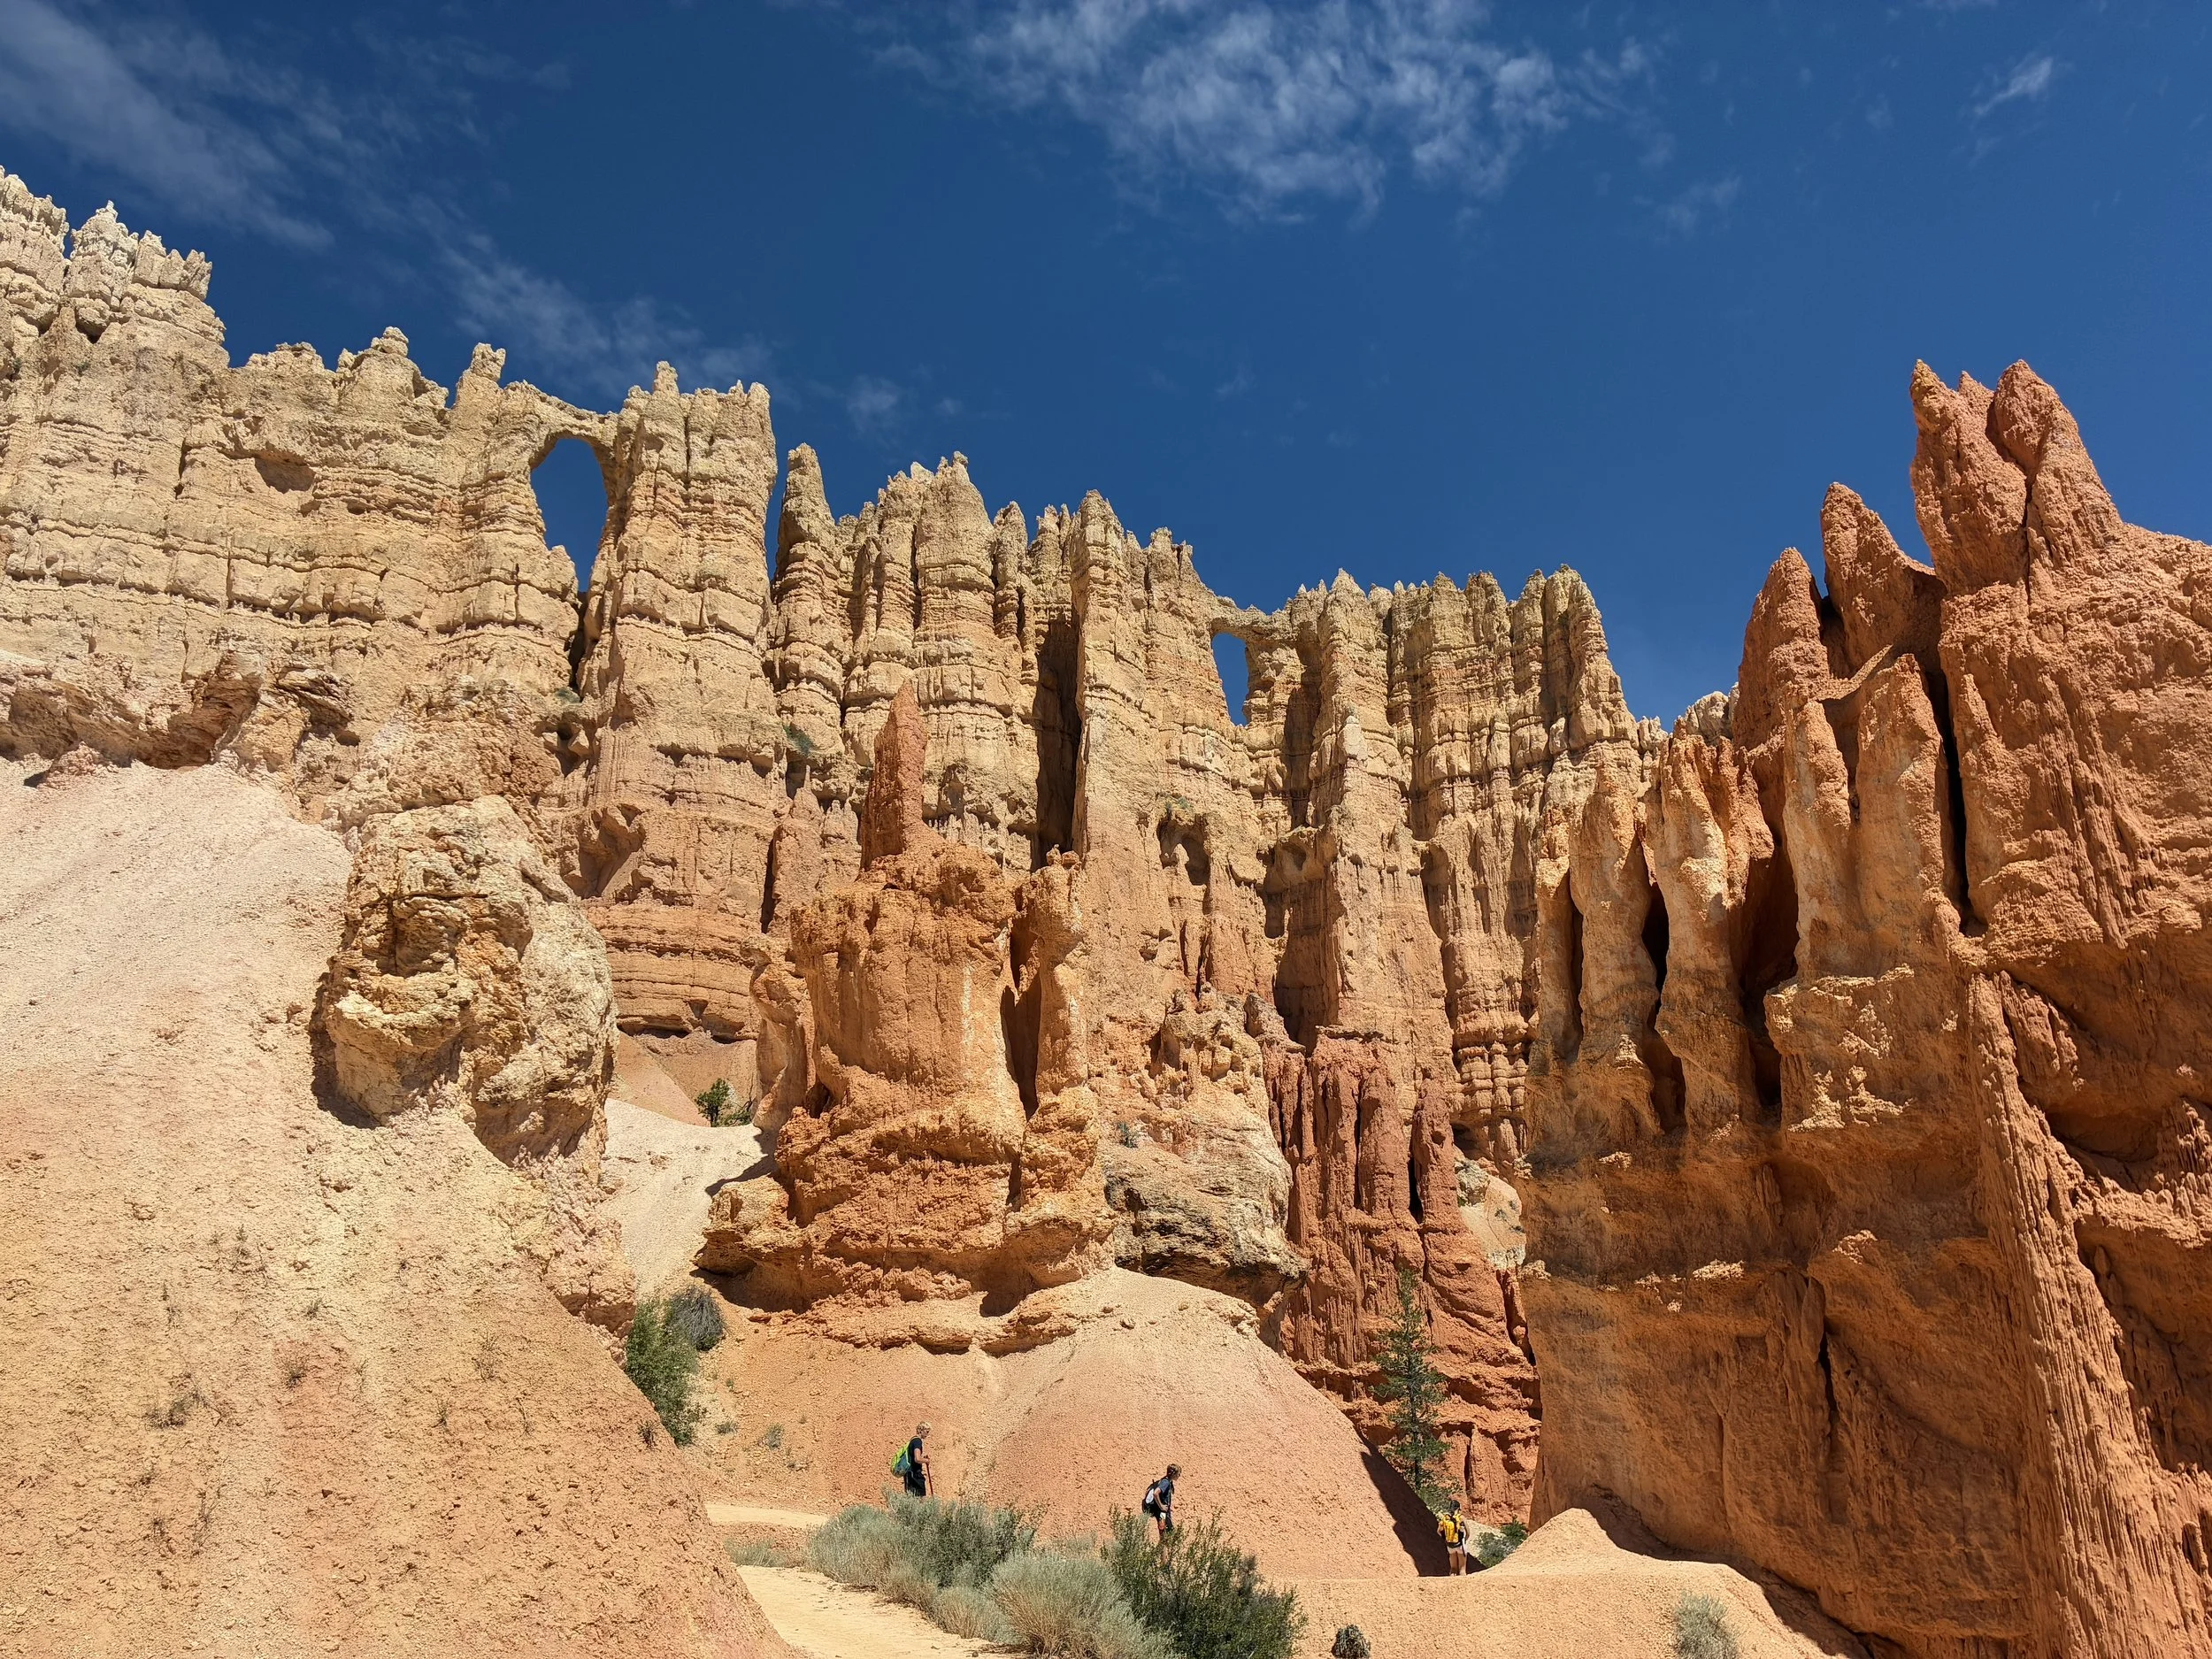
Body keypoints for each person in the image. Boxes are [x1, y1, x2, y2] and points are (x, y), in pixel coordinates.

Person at [1141, 1463, 1179, 1544]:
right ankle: (1162, 1555)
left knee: (1166, 1535)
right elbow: (1156, 1493)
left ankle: (1161, 1554)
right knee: (1165, 1536)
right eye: (1178, 1473)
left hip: (1163, 1513)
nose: (1179, 1475)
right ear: (1174, 1474)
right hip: (1162, 1514)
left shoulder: (1165, 1481)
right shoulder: (1166, 1482)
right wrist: (1161, 1506)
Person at [899, 1421, 933, 1499]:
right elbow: (917, 1459)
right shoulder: (918, 1441)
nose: (927, 1434)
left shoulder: (912, 1440)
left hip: (909, 1474)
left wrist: (922, 1459)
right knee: (921, 1499)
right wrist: (926, 1461)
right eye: (927, 1432)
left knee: (911, 1498)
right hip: (915, 1475)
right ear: (921, 1430)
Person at [1437, 1498, 1469, 1574]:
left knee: (1453, 1569)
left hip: (1450, 1545)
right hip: (1460, 1544)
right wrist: (1464, 1540)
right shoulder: (1461, 1517)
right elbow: (1468, 1532)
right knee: (1462, 1569)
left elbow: (1438, 1531)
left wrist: (1445, 1539)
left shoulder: (1445, 1518)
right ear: (1458, 1508)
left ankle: (1451, 1584)